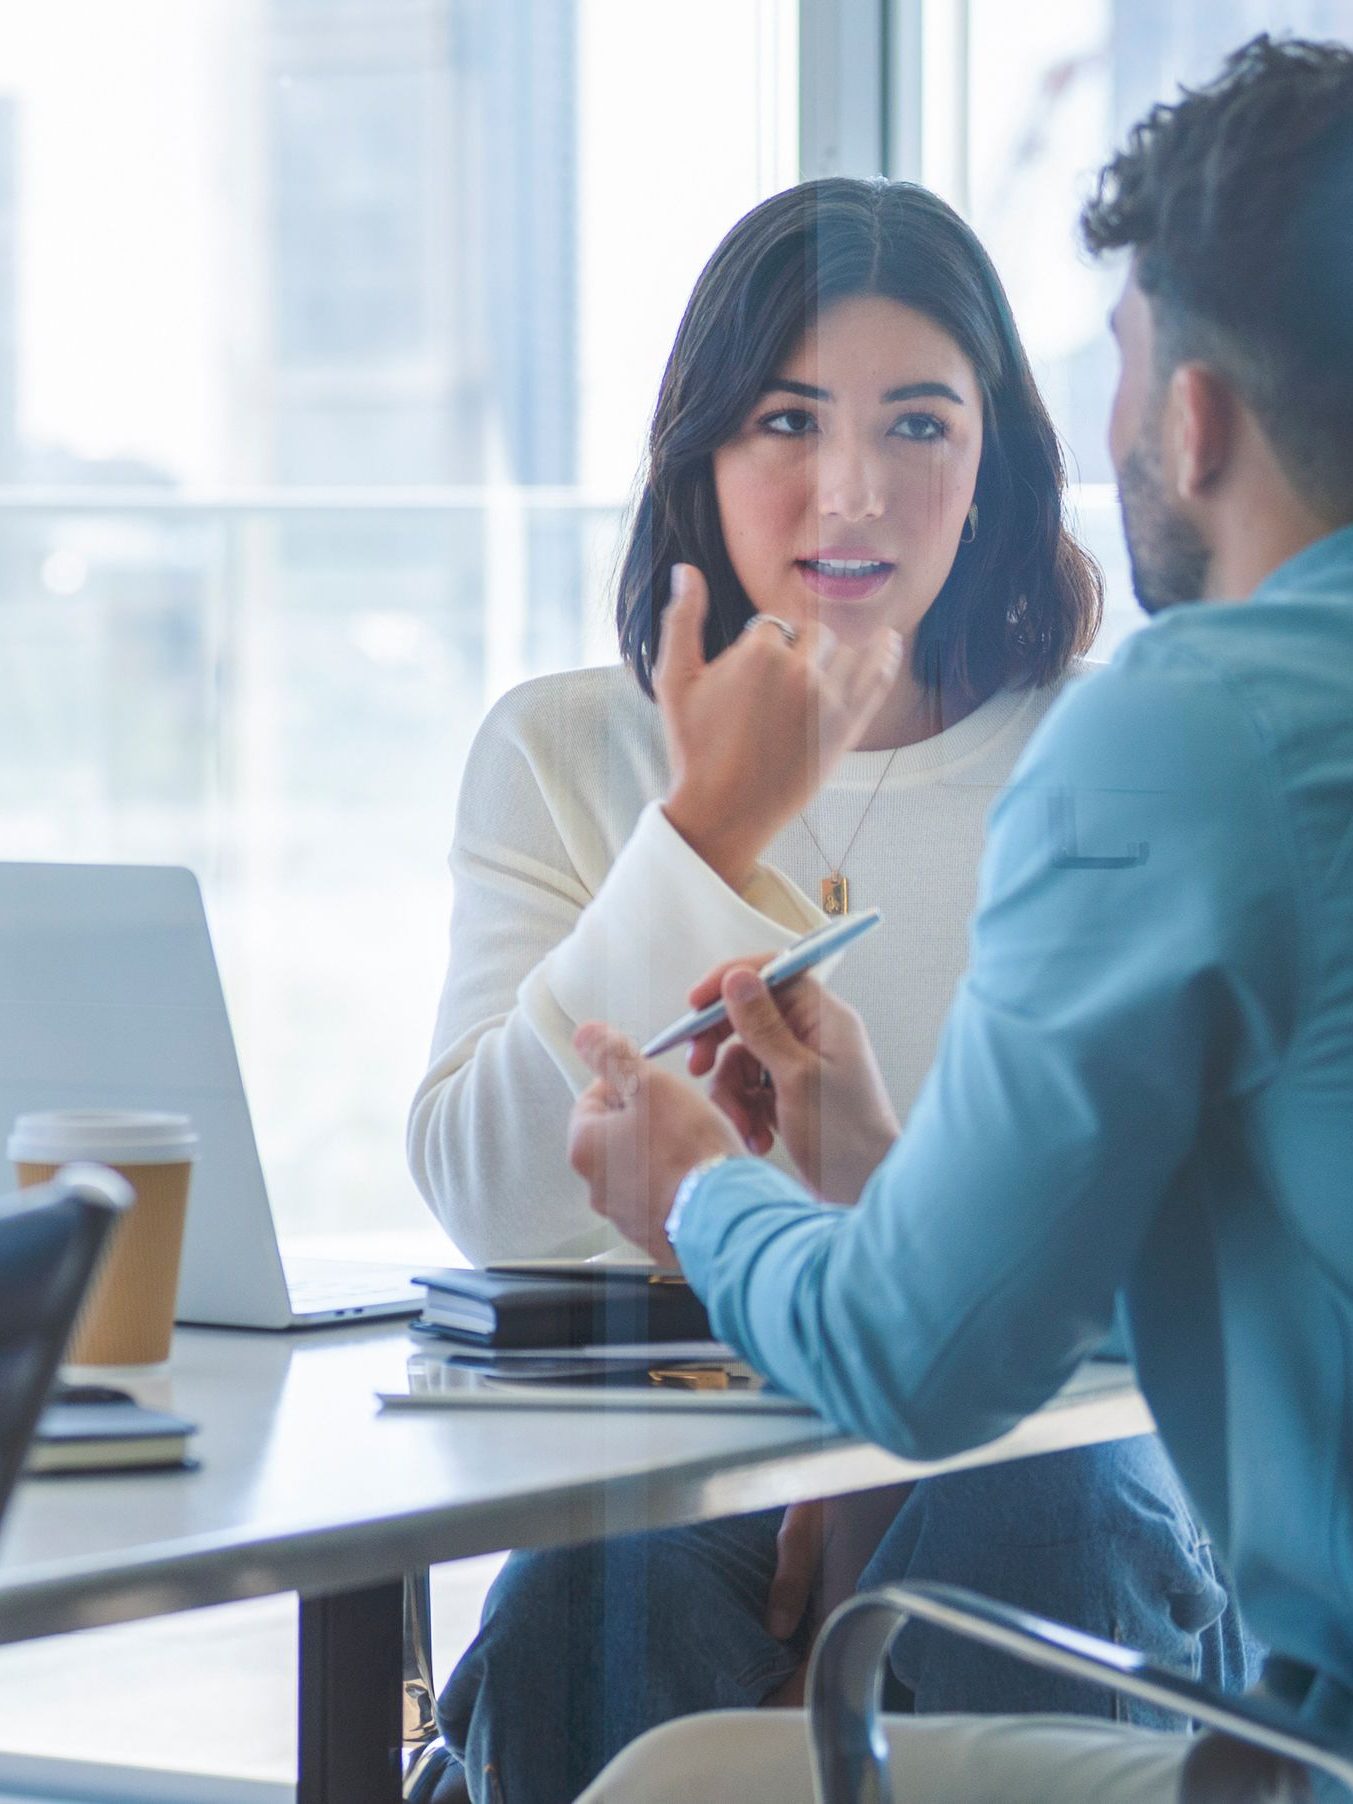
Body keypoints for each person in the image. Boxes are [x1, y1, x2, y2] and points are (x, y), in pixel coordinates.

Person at [567, 33, 1353, 1804]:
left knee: (670, 1779)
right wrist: (896, 1181)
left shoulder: (1177, 725)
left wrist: (704, 1185)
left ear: (1194, 415)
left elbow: (920, 1367)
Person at [408, 179, 1249, 1804]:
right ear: (700, 456)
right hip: (677, 1477)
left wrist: (872, 1448)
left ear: (994, 461)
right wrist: (705, 825)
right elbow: (498, 1202)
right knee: (608, 1582)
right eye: (786, 420)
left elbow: (1169, 1266)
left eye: (918, 426)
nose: (848, 491)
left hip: (1045, 1457)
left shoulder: (1110, 756)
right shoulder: (565, 747)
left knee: (1037, 1520)